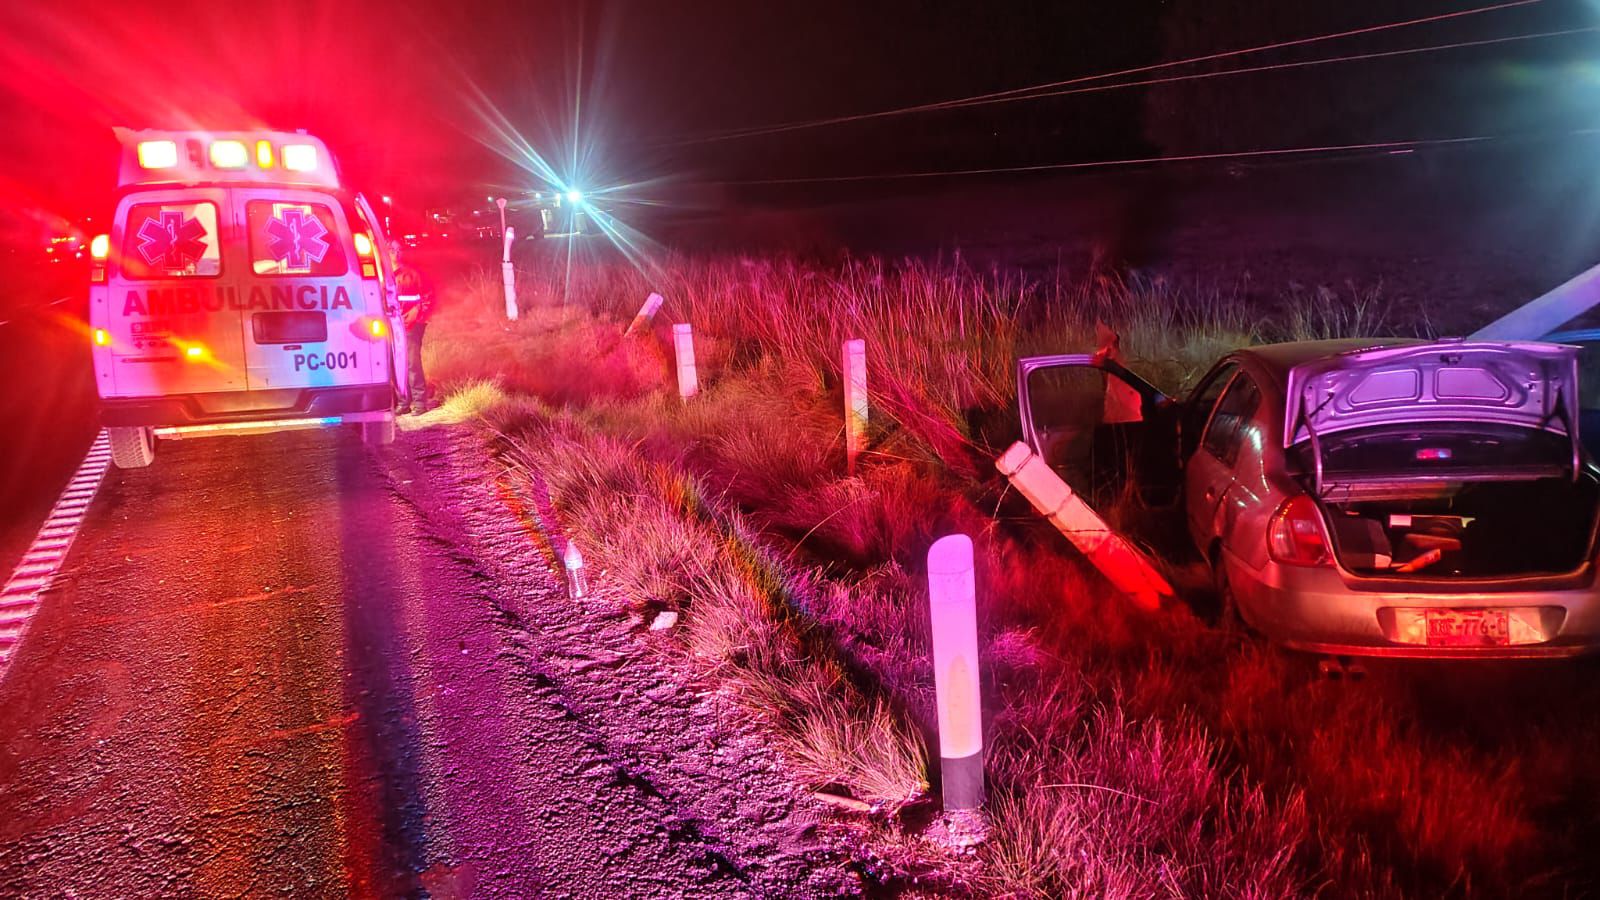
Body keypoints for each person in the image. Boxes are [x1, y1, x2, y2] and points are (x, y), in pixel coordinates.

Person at [391, 246, 435, 414]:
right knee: (396, 365)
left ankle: (419, 403)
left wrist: (418, 313)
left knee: (411, 363)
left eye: (393, 251)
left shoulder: (412, 275)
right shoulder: (383, 276)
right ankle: (403, 402)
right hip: (392, 325)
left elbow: (428, 296)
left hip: (411, 325)